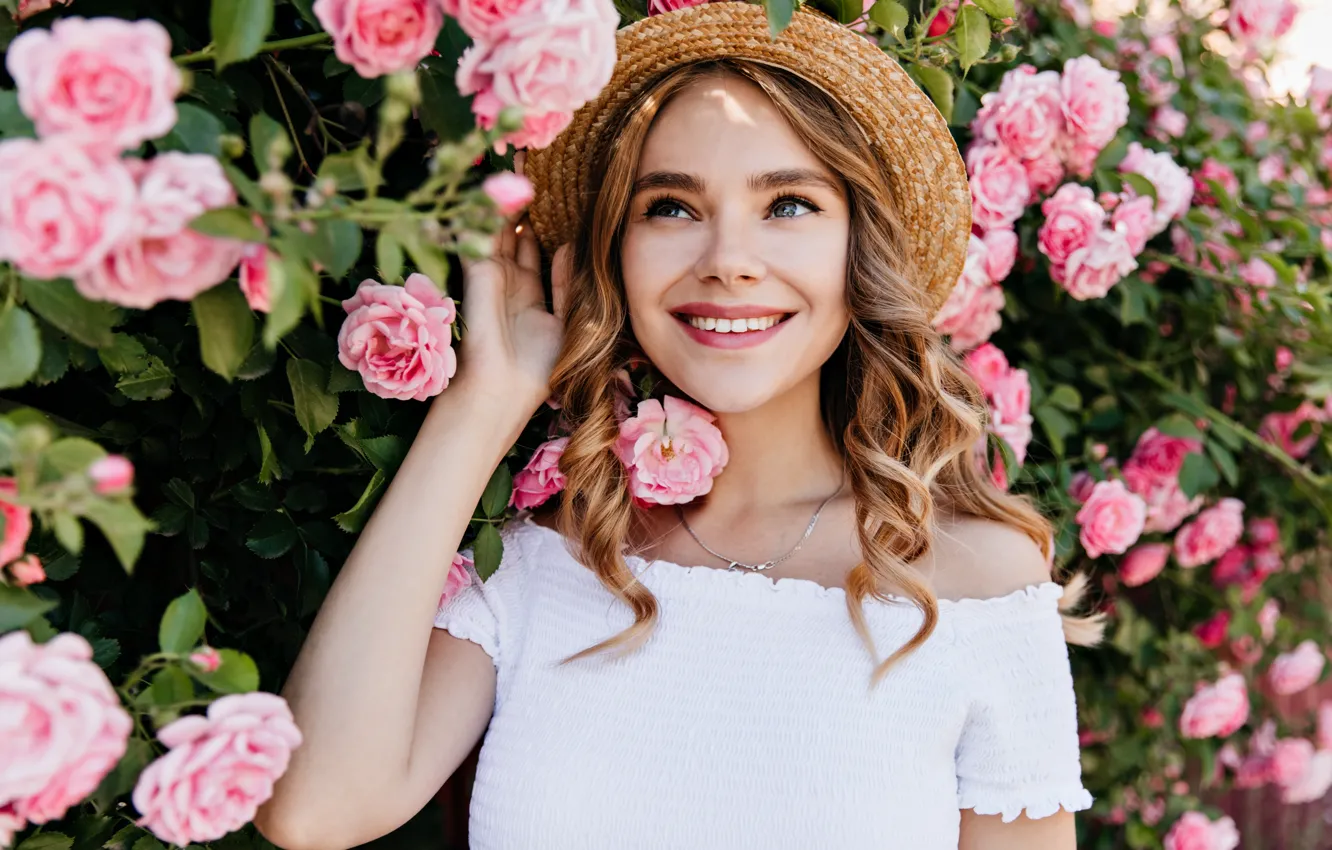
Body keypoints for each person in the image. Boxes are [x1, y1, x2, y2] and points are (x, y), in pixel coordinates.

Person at [255, 4, 1105, 849]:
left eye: (789, 205)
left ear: (860, 249)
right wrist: (483, 404)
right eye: (670, 207)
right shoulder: (541, 559)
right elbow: (313, 808)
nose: (727, 260)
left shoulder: (977, 586)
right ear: (613, 254)